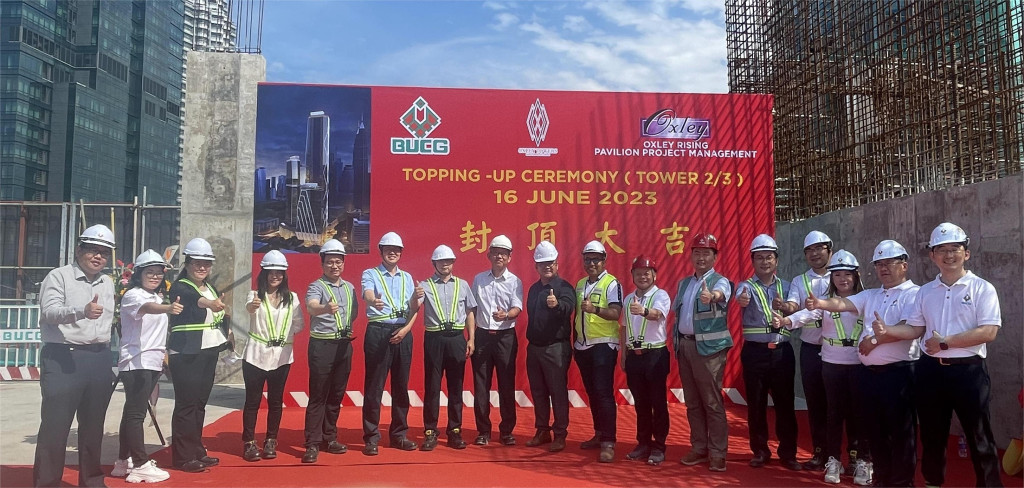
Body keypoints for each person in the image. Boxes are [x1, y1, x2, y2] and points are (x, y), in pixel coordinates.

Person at [806, 239, 920, 487]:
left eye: (890, 263)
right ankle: (882, 476)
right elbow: (844, 304)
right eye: (879, 264)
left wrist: (878, 338)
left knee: (900, 431)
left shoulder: (915, 294)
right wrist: (821, 303)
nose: (884, 269)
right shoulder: (871, 295)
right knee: (875, 429)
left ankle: (902, 482)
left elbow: (913, 327)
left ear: (904, 265)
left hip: (899, 373)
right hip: (869, 373)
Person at [908, 223, 1003, 487]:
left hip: (969, 372)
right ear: (932, 255)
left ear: (966, 253)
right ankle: (932, 482)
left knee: (979, 435)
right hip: (931, 372)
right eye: (942, 250)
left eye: (955, 249)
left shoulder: (982, 288)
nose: (949, 255)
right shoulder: (925, 292)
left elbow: (988, 331)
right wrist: (883, 333)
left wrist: (946, 342)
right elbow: (915, 327)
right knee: (932, 434)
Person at [34, 224, 117, 487]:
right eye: (93, 250)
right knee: (55, 428)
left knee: (93, 428)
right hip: (63, 358)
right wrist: (81, 311)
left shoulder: (108, 283)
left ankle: (92, 480)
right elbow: (49, 312)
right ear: (79, 249)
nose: (98, 257)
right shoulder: (59, 277)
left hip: (99, 357)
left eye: (104, 253)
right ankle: (47, 483)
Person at [778, 250, 872, 485]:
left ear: (856, 276)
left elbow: (843, 306)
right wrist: (786, 321)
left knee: (860, 416)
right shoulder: (825, 301)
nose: (842, 279)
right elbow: (808, 314)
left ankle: (861, 460)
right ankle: (833, 459)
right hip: (831, 364)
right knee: (833, 414)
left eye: (847, 275)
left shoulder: (867, 298)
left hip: (859, 364)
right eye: (837, 275)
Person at [112, 250, 178, 483]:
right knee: (136, 414)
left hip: (151, 361)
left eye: (159, 273)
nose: (155, 277)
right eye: (150, 272)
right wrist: (169, 309)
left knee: (132, 411)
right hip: (137, 361)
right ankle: (140, 463)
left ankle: (123, 461)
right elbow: (147, 308)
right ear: (138, 274)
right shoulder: (133, 295)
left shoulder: (157, 297)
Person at [736, 234, 801, 471]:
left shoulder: (787, 286)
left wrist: (785, 307)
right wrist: (743, 300)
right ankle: (760, 451)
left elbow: (795, 308)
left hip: (782, 352)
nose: (765, 262)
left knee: (785, 403)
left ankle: (788, 453)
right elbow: (740, 298)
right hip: (755, 352)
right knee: (756, 404)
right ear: (752, 261)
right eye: (760, 258)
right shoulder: (745, 286)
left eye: (769, 257)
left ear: (777, 260)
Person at [167, 237, 231, 473]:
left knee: (199, 404)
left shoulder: (210, 286)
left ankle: (196, 451)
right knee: (186, 404)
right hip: (186, 351)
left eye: (206, 263)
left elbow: (216, 309)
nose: (202, 267)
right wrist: (209, 304)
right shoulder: (181, 285)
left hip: (208, 349)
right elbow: (197, 301)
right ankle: (182, 457)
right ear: (187, 263)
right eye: (197, 262)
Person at [672, 233, 733, 472]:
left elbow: (721, 295)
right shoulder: (684, 284)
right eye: (696, 252)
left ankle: (718, 452)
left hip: (709, 349)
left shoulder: (721, 281)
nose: (701, 257)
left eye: (706, 253)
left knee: (712, 402)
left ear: (715, 256)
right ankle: (699, 447)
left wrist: (712, 296)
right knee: (693, 403)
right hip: (685, 347)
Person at [360, 231, 420, 455]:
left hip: (403, 332)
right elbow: (366, 293)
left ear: (401, 253)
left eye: (396, 249)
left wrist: (405, 330)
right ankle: (371, 437)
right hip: (379, 331)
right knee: (374, 386)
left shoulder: (407, 277)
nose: (392, 252)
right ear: (381, 251)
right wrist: (372, 299)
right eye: (388, 249)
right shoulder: (371, 273)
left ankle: (398, 434)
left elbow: (415, 308)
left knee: (400, 386)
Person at [241, 250, 304, 462]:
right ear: (264, 273)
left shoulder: (292, 298)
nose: (275, 276)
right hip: (255, 355)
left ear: (284, 275)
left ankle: (270, 440)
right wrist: (254, 306)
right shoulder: (254, 295)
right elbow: (249, 308)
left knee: (276, 401)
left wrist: (281, 335)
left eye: (279, 272)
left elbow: (299, 324)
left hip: (281, 357)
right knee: (252, 401)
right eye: (271, 272)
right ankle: (249, 442)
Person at [777, 230, 833, 471]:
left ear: (829, 250)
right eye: (810, 250)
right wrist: (785, 307)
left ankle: (849, 456)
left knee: (842, 405)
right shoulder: (801, 281)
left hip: (839, 351)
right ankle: (820, 453)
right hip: (811, 349)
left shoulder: (841, 276)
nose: (815, 254)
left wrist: (791, 318)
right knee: (816, 403)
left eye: (819, 248)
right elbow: (793, 304)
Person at [301, 240, 358, 464]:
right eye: (330, 262)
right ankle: (312, 443)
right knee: (318, 395)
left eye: (338, 261)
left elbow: (353, 314)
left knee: (336, 395)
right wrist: (324, 308)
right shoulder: (316, 286)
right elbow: (311, 307)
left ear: (343, 263)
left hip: (343, 345)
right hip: (322, 346)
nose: (334, 266)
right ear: (322, 264)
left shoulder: (350, 287)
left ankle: (329, 437)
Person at [417, 245, 477, 451]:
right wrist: (414, 297)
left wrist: (471, 339)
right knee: (432, 386)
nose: (445, 264)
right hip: (434, 337)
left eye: (449, 261)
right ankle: (430, 431)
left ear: (453, 263)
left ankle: (455, 431)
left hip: (456, 338)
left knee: (456, 387)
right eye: (441, 261)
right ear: (434, 263)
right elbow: (414, 308)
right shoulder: (424, 285)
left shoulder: (462, 285)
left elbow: (469, 312)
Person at [470, 235, 522, 446]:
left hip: (505, 337)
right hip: (482, 336)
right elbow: (471, 309)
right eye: (496, 252)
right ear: (488, 254)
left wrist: (507, 315)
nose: (499, 256)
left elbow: (517, 307)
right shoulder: (479, 279)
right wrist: (471, 337)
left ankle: (507, 431)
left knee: (506, 385)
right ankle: (483, 431)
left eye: (504, 253)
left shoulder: (515, 281)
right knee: (481, 386)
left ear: (509, 257)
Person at [573, 240, 623, 463]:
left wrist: (595, 309)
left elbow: (615, 313)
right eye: (587, 259)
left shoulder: (612, 283)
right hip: (583, 346)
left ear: (604, 260)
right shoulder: (580, 284)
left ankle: (609, 441)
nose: (591, 263)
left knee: (603, 393)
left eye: (596, 259)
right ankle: (599, 433)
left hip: (604, 344)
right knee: (592, 393)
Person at [620, 254, 672, 466]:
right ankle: (643, 443)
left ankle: (659, 446)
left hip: (655, 355)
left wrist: (644, 311)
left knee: (657, 403)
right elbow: (623, 327)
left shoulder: (661, 295)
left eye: (646, 273)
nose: (642, 277)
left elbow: (657, 315)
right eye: (638, 273)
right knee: (640, 403)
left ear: (654, 275)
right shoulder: (627, 299)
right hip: (634, 356)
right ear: (632, 275)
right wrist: (623, 355)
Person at [524, 240, 575, 452]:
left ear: (557, 264)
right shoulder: (534, 289)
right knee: (538, 391)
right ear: (536, 266)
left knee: (558, 392)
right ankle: (542, 430)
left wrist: (557, 306)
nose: (547, 266)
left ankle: (560, 434)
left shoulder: (564, 287)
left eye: (550, 263)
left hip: (555, 348)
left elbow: (568, 307)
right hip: (534, 348)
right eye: (542, 263)